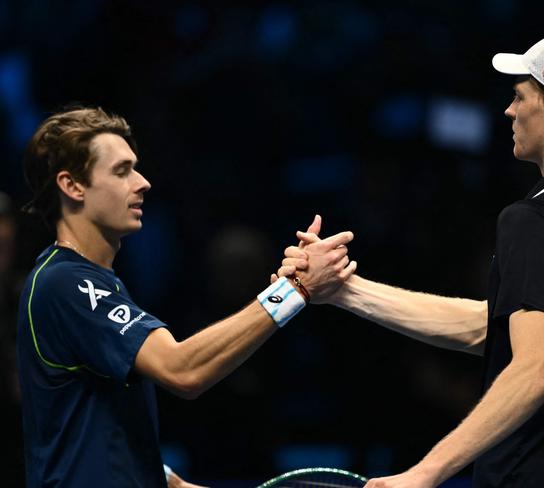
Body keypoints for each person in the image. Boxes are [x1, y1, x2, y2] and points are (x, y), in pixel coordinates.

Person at [278, 32, 544, 487]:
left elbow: (535, 370)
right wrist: (345, 291)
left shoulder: (534, 219)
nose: (509, 111)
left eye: (519, 96)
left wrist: (424, 473)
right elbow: (495, 329)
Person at [16, 106, 357, 487]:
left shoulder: (89, 282)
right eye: (121, 170)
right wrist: (293, 290)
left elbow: (89, 427)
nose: (143, 182)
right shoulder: (66, 284)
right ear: (73, 186)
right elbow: (182, 370)